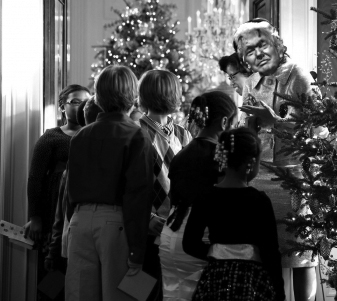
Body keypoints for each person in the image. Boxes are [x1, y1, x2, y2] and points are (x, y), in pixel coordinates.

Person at [234, 19, 319, 301]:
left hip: (291, 176)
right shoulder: (250, 81)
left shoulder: (298, 75)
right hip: (258, 177)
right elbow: (245, 129)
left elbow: (317, 128)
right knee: (263, 252)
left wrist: (275, 122)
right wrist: (247, 128)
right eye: (248, 49)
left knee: (299, 253)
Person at [65, 65, 154, 301]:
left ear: (98, 97)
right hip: (115, 223)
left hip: (79, 221)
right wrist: (137, 249)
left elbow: (69, 190)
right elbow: (138, 195)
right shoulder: (136, 134)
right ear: (133, 97)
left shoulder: (81, 135)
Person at [183, 127, 285, 301]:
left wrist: (218, 252)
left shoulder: (206, 197)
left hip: (215, 281)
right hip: (252, 283)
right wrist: (279, 293)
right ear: (251, 163)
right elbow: (271, 253)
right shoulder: (259, 201)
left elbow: (189, 243)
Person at [159, 91, 237, 301]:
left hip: (170, 236)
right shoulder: (222, 159)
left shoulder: (181, 155)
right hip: (199, 239)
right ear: (224, 122)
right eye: (234, 124)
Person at [25, 84, 90, 301]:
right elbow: (35, 179)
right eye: (75, 101)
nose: (81, 106)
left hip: (82, 211)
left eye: (86, 102)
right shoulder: (50, 138)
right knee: (53, 272)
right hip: (53, 209)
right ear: (62, 106)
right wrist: (35, 217)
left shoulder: (94, 136)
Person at [138, 69, 192, 301]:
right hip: (146, 225)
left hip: (177, 226)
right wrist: (147, 217)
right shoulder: (136, 132)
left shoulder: (183, 134)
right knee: (147, 289)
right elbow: (129, 183)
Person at [44, 96, 102, 271]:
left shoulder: (78, 154)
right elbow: (62, 210)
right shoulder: (79, 155)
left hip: (75, 236)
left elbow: (60, 213)